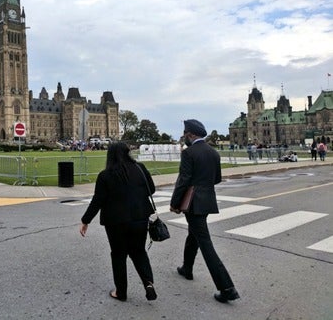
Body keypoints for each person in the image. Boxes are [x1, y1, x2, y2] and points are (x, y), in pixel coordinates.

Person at [170, 119, 240, 303]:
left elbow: (183, 180)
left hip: (193, 202)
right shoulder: (213, 152)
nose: (184, 136)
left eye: (185, 133)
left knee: (204, 242)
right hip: (207, 200)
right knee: (194, 234)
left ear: (191, 134)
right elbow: (216, 179)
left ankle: (227, 287)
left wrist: (174, 203)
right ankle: (187, 268)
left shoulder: (188, 153)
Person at [80, 142, 157, 302]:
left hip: (115, 221)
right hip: (139, 218)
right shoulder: (140, 168)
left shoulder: (105, 175)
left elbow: (98, 200)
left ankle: (121, 292)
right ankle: (148, 283)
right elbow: (152, 188)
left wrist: (86, 220)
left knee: (118, 255)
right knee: (139, 252)